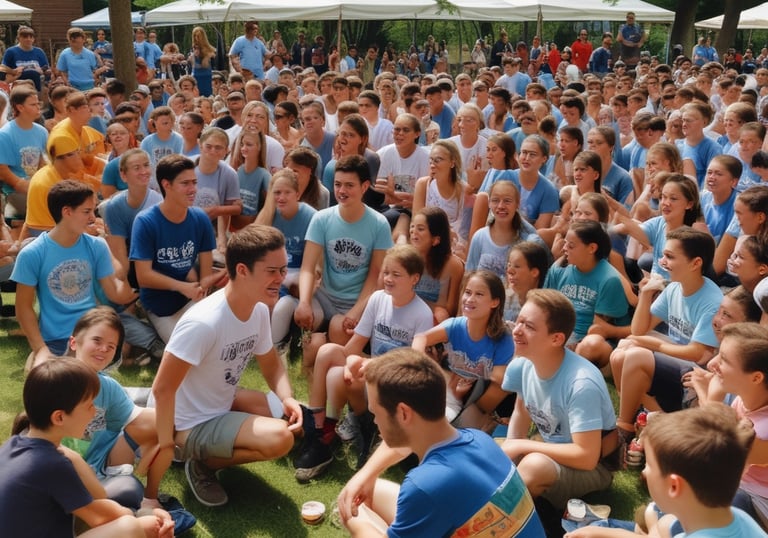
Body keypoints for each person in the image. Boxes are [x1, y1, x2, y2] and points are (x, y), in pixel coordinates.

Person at [152, 224, 303, 507]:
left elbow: (272, 366)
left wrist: (288, 398)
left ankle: (207, 451)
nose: (281, 279)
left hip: (221, 402)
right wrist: (164, 444)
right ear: (243, 270)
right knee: (281, 438)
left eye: (283, 270)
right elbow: (162, 389)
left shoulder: (257, 308)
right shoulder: (204, 323)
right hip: (188, 425)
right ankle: (200, 464)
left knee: (289, 415)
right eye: (272, 271)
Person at [337, 347, 545, 537]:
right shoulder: (481, 439)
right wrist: (364, 475)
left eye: (376, 412)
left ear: (403, 413)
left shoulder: (424, 485)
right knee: (370, 492)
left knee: (358, 510)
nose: (374, 421)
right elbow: (403, 443)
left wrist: (354, 520)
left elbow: (419, 476)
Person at [294, 245, 433, 479]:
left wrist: (364, 365)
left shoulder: (422, 314)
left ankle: (362, 426)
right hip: (371, 370)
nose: (388, 279)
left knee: (338, 375)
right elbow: (355, 345)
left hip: (395, 384)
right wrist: (349, 361)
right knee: (328, 351)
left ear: (414, 278)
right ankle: (319, 432)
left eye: (396, 274)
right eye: (386, 272)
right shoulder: (378, 299)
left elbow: (413, 366)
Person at [0, 359, 175, 537]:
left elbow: (99, 495)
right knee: (130, 527)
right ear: (59, 418)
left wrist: (73, 457)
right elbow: (99, 517)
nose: (94, 413)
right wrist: (146, 520)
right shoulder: (51, 464)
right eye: (89, 406)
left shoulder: (17, 444)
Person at [502, 288, 618, 511]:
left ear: (556, 339)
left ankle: (502, 525)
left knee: (534, 467)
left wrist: (520, 445)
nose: (517, 330)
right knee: (486, 451)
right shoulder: (523, 363)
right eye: (519, 321)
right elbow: (521, 411)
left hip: (593, 468)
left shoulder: (581, 383)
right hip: (550, 446)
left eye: (529, 327)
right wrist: (510, 455)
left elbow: (587, 457)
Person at [13, 180, 136, 365]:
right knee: (45, 377)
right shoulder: (32, 253)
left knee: (78, 378)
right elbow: (23, 308)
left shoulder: (97, 245)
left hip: (90, 336)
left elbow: (114, 294)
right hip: (53, 340)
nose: (93, 219)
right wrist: (40, 349)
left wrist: (131, 274)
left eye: (93, 212)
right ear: (67, 212)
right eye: (86, 212)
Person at [129, 154, 221, 344]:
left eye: (194, 182)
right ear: (166, 185)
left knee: (213, 341)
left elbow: (205, 275)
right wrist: (183, 287)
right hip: (160, 306)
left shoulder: (200, 219)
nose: (192, 189)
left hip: (192, 299)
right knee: (185, 347)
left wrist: (207, 284)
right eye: (185, 183)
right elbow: (143, 277)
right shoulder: (146, 221)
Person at [639, 405, 765, 537]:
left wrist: (653, 526)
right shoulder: (740, 516)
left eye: (649, 464)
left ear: (674, 486)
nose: (645, 472)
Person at [0, 85, 48, 231]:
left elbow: (42, 163)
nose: (38, 107)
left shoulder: (42, 132)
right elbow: (3, 171)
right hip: (14, 191)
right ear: (20, 107)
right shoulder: (5, 134)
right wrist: (24, 186)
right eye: (33, 104)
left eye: (38, 103)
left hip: (36, 186)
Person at [0, 26, 50, 92]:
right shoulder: (11, 51)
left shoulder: (39, 52)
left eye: (31, 37)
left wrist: (42, 71)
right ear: (19, 38)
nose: (28, 39)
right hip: (18, 85)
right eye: (25, 37)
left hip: (36, 85)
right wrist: (13, 71)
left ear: (33, 39)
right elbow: (2, 68)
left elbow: (47, 69)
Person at [190, 26, 215, 97]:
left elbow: (206, 64)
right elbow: (196, 65)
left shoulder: (208, 49)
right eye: (195, 36)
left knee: (207, 96)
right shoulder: (194, 48)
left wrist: (207, 57)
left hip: (206, 75)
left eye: (199, 36)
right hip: (196, 76)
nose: (196, 38)